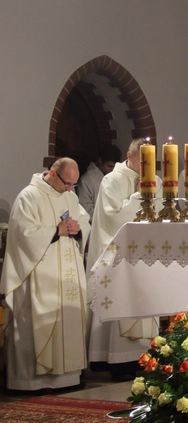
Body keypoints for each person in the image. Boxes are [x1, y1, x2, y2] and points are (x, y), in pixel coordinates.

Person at [0, 157, 90, 391]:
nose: (70, 189)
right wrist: (56, 230)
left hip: (67, 271)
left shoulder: (69, 195)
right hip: (39, 272)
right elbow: (22, 234)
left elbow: (84, 220)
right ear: (52, 174)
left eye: (74, 185)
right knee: (37, 321)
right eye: (67, 183)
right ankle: (30, 382)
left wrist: (78, 229)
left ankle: (68, 376)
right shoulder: (29, 196)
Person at [87, 138, 162, 381]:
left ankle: (145, 356)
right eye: (145, 160)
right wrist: (139, 196)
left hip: (146, 252)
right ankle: (118, 361)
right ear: (130, 157)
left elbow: (162, 213)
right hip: (118, 253)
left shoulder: (157, 181)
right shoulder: (112, 180)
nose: (149, 165)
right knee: (122, 302)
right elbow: (113, 218)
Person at [77, 144, 122, 219]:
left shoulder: (115, 176)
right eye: (109, 166)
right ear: (100, 160)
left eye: (114, 167)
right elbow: (85, 209)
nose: (112, 170)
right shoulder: (87, 180)